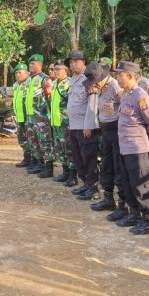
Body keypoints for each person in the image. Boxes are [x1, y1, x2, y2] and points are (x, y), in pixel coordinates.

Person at [114, 61, 149, 235]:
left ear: (130, 76)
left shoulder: (141, 95)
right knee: (128, 182)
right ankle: (134, 213)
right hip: (125, 146)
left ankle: (147, 220)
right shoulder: (125, 94)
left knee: (141, 184)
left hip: (138, 147)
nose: (117, 78)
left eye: (120, 74)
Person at [84, 61, 124, 212]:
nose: (93, 85)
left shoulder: (115, 86)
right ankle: (108, 198)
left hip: (116, 129)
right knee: (106, 165)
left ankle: (122, 204)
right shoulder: (100, 87)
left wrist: (114, 108)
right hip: (105, 129)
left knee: (118, 167)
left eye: (95, 82)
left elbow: (127, 106)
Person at [66, 50, 100, 200]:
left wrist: (89, 125)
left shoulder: (89, 78)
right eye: (71, 62)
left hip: (85, 127)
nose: (73, 64)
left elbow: (92, 104)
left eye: (76, 61)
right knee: (78, 157)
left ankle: (93, 188)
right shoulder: (73, 79)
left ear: (84, 62)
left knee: (89, 158)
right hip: (73, 126)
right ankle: (86, 183)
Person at [22, 54, 54, 177]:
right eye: (30, 63)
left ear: (40, 65)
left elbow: (50, 98)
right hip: (30, 116)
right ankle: (39, 164)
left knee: (45, 142)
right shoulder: (29, 79)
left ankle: (49, 167)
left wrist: (49, 116)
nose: (30, 65)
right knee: (33, 141)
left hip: (42, 117)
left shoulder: (45, 79)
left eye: (33, 63)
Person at [50, 60, 77, 187]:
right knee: (60, 148)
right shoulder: (55, 83)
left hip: (66, 121)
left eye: (58, 69)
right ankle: (65, 172)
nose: (55, 72)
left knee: (69, 148)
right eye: (55, 69)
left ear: (65, 71)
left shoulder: (69, 83)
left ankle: (73, 175)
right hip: (56, 121)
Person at [12, 63, 32, 167]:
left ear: (27, 73)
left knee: (31, 139)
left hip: (28, 116)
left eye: (20, 72)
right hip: (19, 116)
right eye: (16, 72)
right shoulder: (16, 85)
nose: (17, 75)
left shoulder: (29, 83)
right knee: (22, 139)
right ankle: (27, 158)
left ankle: (34, 160)